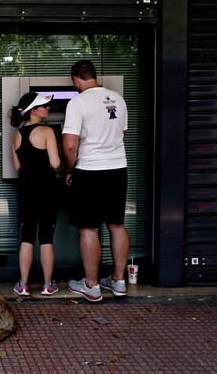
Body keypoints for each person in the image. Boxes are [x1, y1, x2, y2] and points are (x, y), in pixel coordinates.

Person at [62, 60, 130, 302]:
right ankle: (119, 281)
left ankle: (91, 285)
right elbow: (121, 133)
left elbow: (70, 144)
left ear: (75, 79)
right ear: (93, 75)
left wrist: (70, 169)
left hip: (90, 170)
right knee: (117, 224)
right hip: (117, 168)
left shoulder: (78, 102)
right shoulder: (118, 99)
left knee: (89, 228)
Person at [9, 92, 60, 296]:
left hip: (26, 189)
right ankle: (48, 285)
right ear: (34, 110)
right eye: (45, 106)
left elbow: (18, 167)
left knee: (27, 236)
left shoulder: (17, 135)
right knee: (47, 237)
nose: (48, 109)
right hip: (47, 188)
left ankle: (23, 284)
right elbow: (55, 163)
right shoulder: (47, 131)